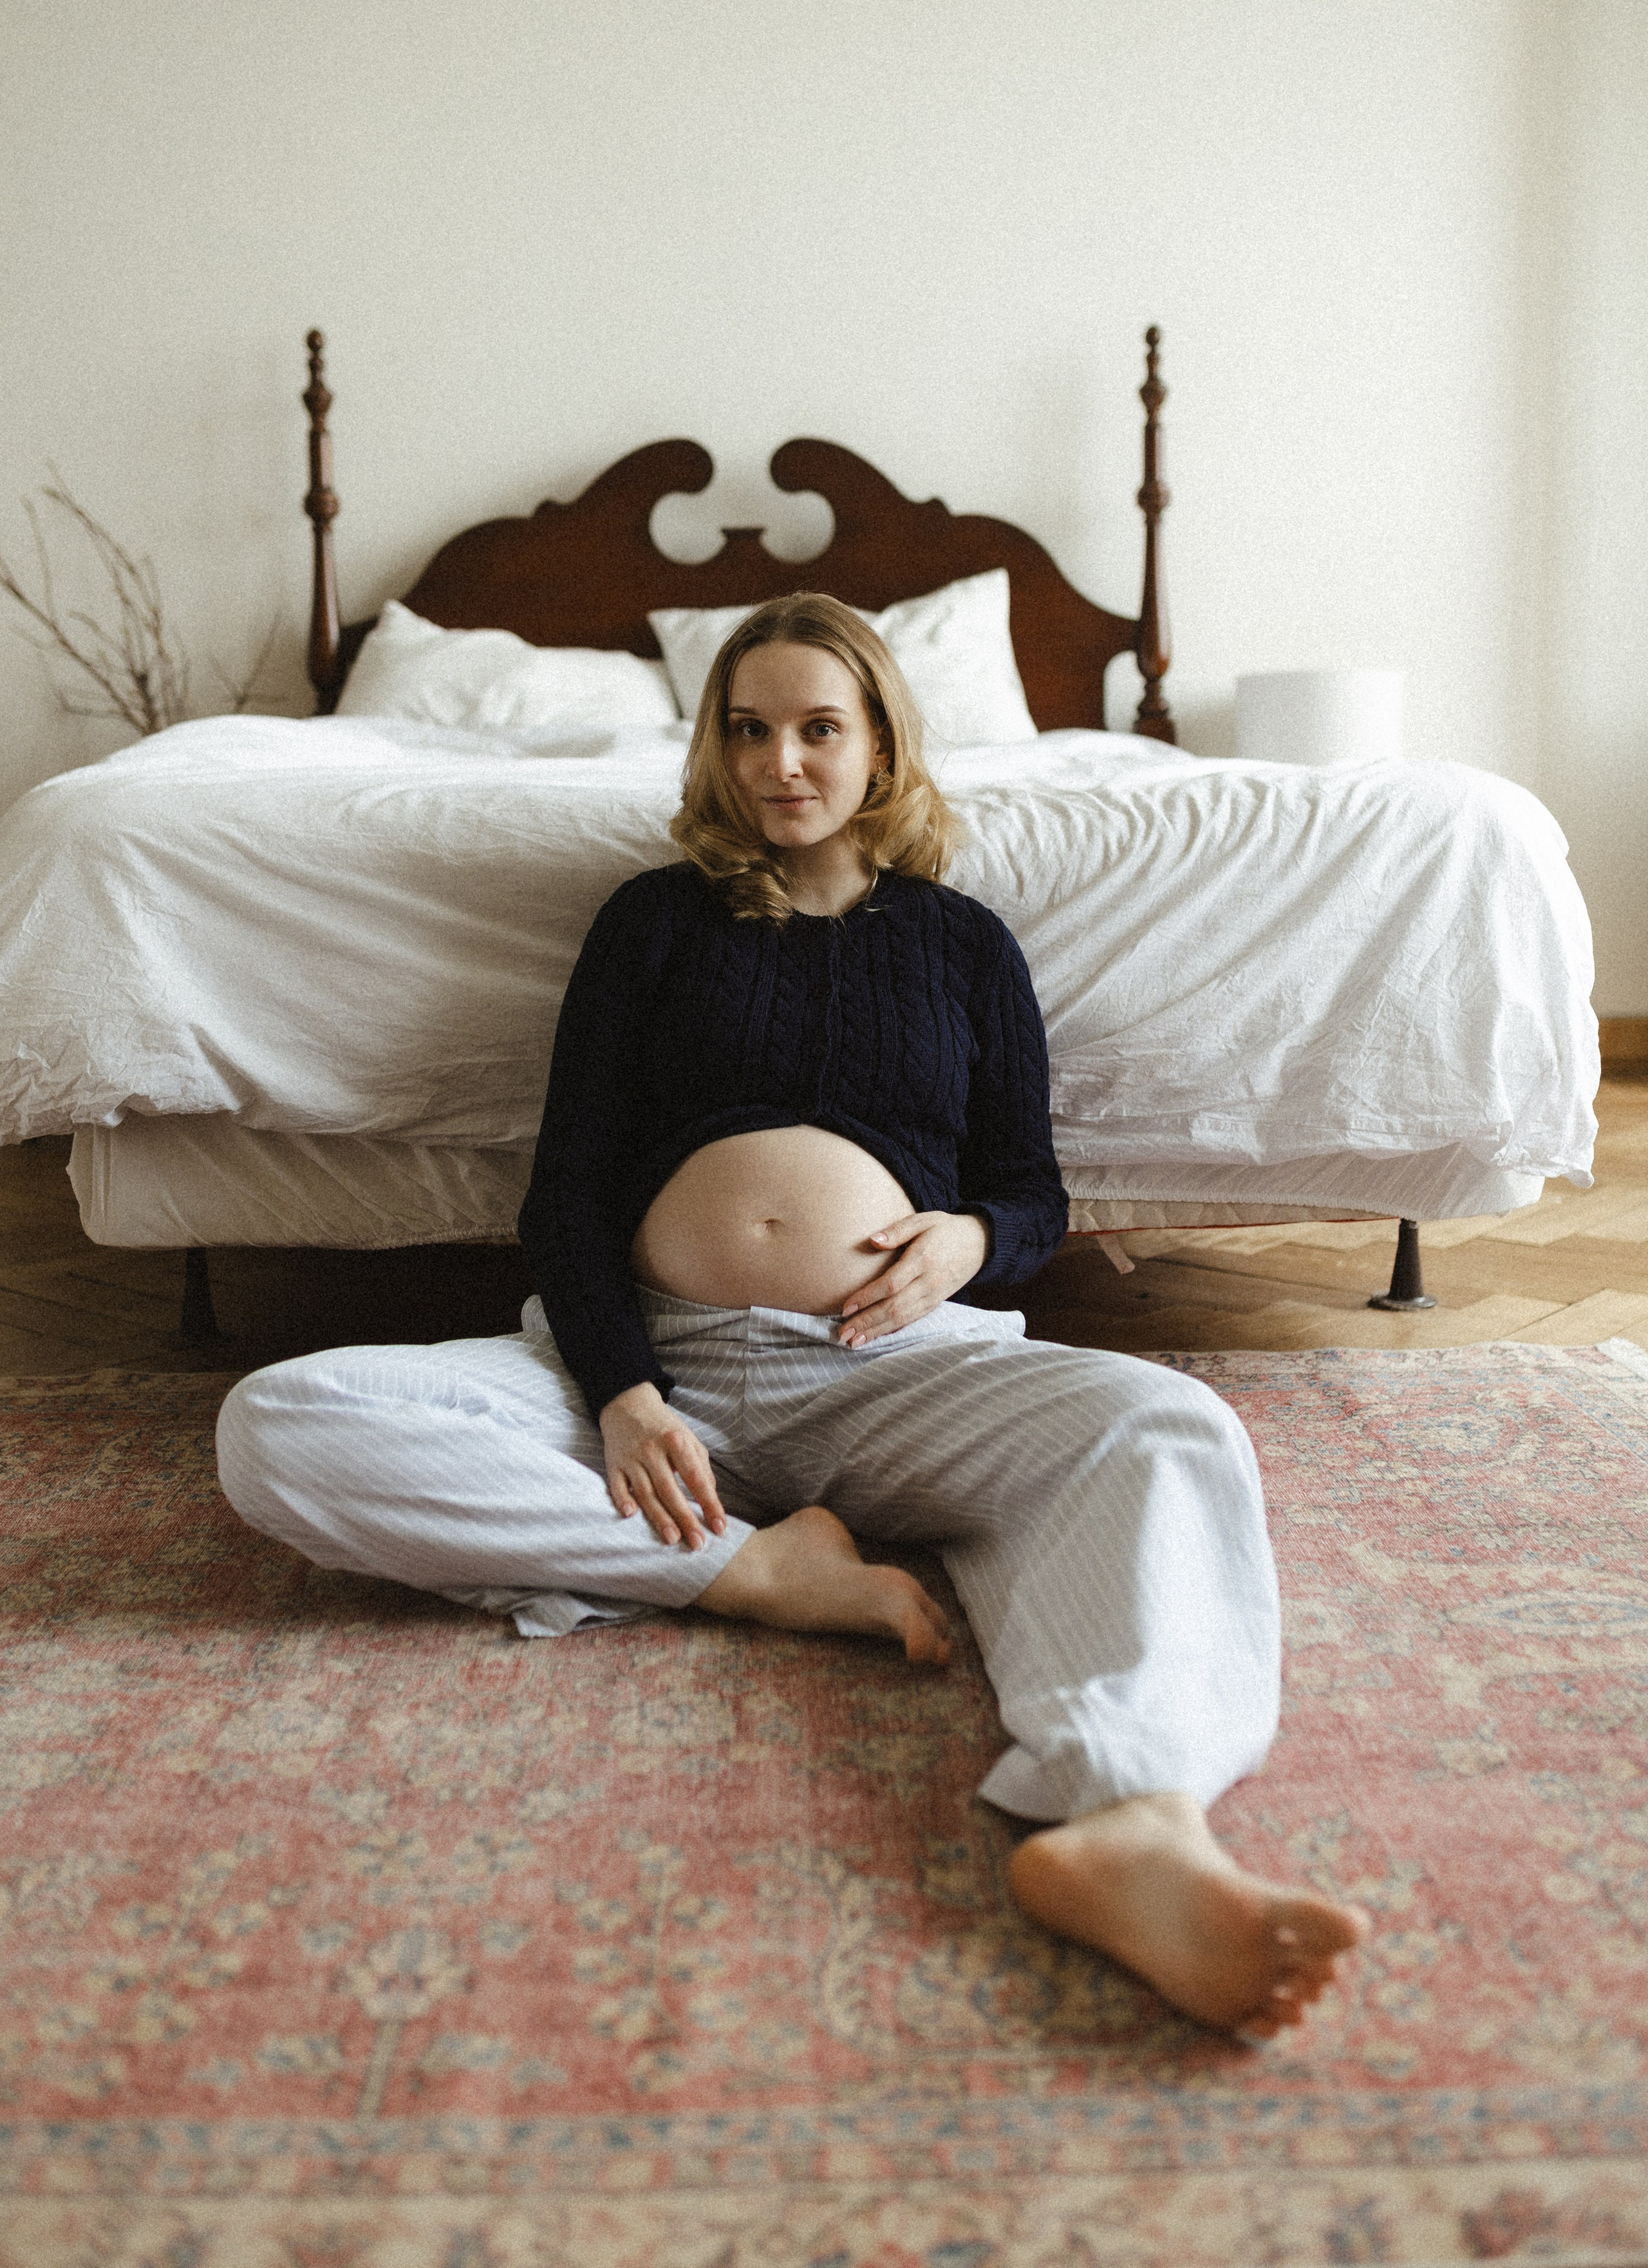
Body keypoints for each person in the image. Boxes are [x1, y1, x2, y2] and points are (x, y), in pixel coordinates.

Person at [217, 594, 1367, 2036]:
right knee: (278, 1425)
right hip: (647, 1378)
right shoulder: (650, 925)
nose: (782, 764)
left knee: (1168, 1427)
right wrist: (624, 1388)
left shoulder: (963, 947)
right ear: (714, 747)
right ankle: (755, 1572)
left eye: (819, 729)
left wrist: (966, 1239)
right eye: (748, 730)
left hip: (887, 1370)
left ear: (880, 744)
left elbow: (1031, 1197)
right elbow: (565, 1192)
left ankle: (1135, 1822)